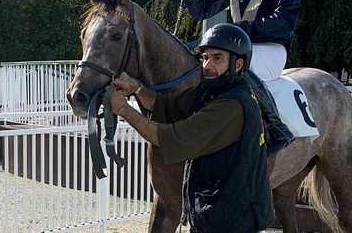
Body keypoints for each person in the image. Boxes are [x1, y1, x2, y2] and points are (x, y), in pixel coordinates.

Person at [109, 24, 273, 233]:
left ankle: (279, 130)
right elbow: (164, 104)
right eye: (204, 58)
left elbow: (174, 138)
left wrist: (123, 110)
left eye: (217, 58)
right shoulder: (210, 92)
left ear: (238, 64)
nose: (207, 65)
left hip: (230, 220)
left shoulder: (231, 105)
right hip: (215, 214)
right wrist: (137, 88)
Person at [175, 0, 299, 155]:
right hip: (238, 47)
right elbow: (202, 10)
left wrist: (239, 30)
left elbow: (284, 21)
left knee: (240, 68)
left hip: (270, 49)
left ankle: (277, 128)